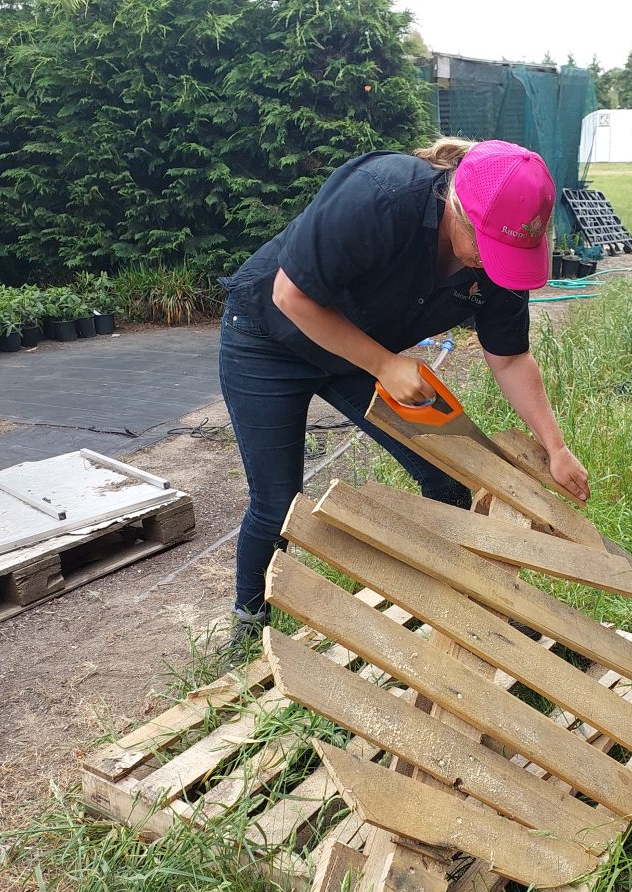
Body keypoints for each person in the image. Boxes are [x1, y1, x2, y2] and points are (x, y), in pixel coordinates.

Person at [217, 137, 590, 651]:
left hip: (363, 349)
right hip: (269, 338)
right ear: (457, 206)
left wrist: (555, 445)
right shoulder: (380, 195)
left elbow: (509, 356)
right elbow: (290, 295)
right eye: (486, 249)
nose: (490, 266)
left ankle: (465, 600)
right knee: (279, 501)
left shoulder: (500, 259)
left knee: (448, 477)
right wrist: (384, 364)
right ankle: (248, 618)